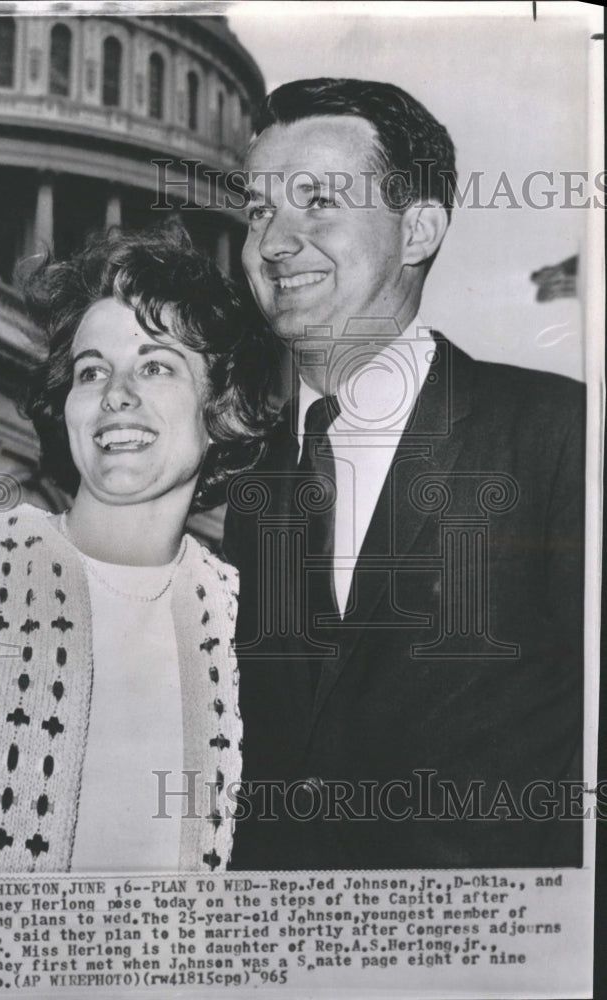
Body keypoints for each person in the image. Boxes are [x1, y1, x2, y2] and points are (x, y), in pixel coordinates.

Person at [225, 79, 585, 870]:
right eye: (257, 212)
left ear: (417, 227)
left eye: (317, 200)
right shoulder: (252, 491)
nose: (274, 243)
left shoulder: (560, 434)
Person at [0, 224, 277, 874]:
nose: (115, 394)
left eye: (156, 365)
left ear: (223, 410)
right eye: (91, 371)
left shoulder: (258, 636)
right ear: (65, 406)